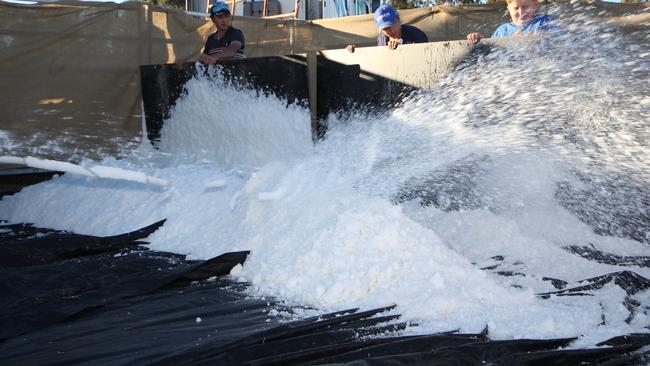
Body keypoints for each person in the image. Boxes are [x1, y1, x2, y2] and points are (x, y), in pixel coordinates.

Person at [347, 4, 428, 53]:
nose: (390, 31)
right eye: (385, 28)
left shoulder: (417, 35)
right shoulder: (382, 39)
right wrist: (356, 53)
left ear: (399, 20)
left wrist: (400, 49)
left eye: (392, 25)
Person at [467, 0, 554, 44]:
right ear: (509, 9)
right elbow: (492, 50)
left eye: (525, 7)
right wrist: (480, 40)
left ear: (536, 4)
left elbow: (563, 37)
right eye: (516, 8)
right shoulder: (502, 31)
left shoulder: (545, 21)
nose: (521, 12)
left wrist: (547, 35)